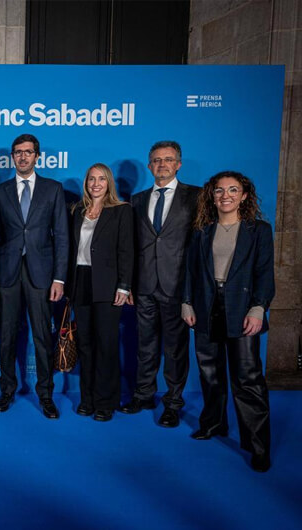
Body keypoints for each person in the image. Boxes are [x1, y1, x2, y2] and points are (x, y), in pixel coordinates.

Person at [182, 171, 274, 472]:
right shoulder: (201, 230)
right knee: (211, 373)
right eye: (220, 191)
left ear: (244, 195)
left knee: (247, 379)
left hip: (242, 308)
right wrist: (187, 302)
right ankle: (213, 425)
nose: (226, 196)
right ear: (212, 195)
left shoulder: (258, 230)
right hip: (206, 306)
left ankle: (258, 446)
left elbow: (264, 273)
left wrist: (259, 308)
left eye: (233, 190)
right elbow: (190, 272)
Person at [0, 133, 69, 419]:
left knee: (42, 337)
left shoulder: (53, 189)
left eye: (28, 152)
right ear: (13, 157)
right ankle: (6, 390)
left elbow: (61, 236)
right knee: (7, 336)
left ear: (37, 156)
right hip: (8, 273)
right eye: (18, 152)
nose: (23, 157)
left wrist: (59, 278)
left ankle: (46, 394)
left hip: (42, 274)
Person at [121, 141, 200, 428]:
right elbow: (131, 245)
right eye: (156, 160)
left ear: (178, 164)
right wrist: (127, 284)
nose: (162, 165)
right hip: (143, 285)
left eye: (168, 160)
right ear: (149, 165)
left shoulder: (196, 196)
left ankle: (173, 403)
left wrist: (191, 292)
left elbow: (198, 246)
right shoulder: (138, 199)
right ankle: (143, 395)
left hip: (177, 286)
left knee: (176, 349)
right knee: (146, 345)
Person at [66, 164, 134, 422]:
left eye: (101, 179)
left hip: (108, 284)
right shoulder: (77, 210)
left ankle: (106, 401)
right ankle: (88, 398)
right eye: (91, 179)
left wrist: (124, 285)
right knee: (85, 344)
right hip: (80, 281)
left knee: (106, 345)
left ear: (109, 183)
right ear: (86, 183)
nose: (96, 183)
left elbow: (126, 251)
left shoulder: (121, 211)